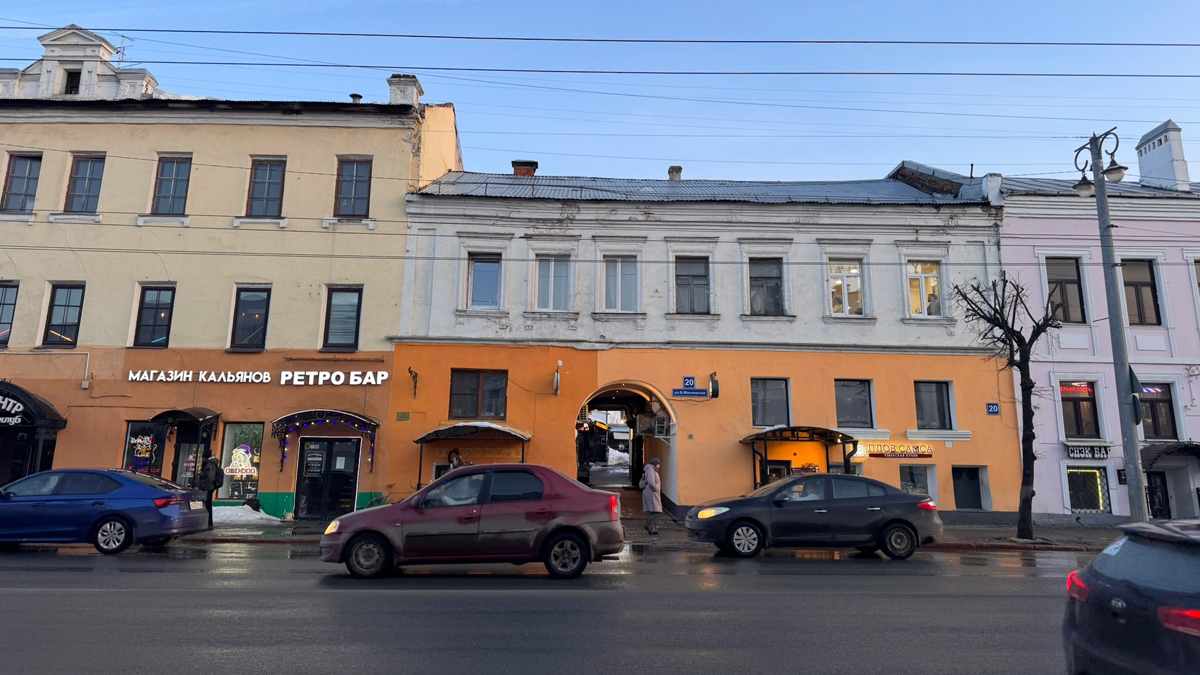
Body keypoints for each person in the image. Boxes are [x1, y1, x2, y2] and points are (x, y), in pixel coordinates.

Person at [197, 450, 223, 530]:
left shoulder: (209, 465)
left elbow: (210, 477)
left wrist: (203, 483)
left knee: (207, 505)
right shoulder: (213, 464)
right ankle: (208, 523)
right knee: (207, 504)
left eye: (203, 457)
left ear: (205, 458)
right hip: (210, 487)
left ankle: (208, 523)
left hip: (208, 487)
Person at [639, 457, 663, 535]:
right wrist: (656, 488)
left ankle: (653, 530)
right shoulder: (651, 470)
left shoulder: (652, 470)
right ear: (655, 465)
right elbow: (651, 482)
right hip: (651, 493)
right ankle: (648, 525)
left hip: (652, 493)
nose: (659, 466)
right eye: (658, 464)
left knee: (653, 512)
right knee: (655, 512)